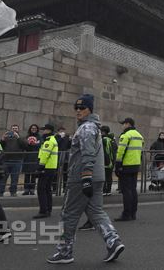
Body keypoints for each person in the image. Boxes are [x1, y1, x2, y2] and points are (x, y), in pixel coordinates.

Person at [47, 94, 124, 264]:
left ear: (90, 109)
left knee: (69, 213)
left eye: (82, 108)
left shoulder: (86, 128)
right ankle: (113, 241)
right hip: (97, 177)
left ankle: (65, 252)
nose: (78, 111)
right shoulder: (93, 127)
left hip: (81, 177)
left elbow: (88, 153)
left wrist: (86, 176)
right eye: (76, 108)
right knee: (95, 211)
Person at [115, 117, 143, 221]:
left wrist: (118, 165)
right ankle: (133, 213)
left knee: (126, 191)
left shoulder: (126, 135)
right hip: (135, 165)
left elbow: (120, 151)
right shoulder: (139, 136)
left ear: (128, 124)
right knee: (133, 189)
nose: (122, 126)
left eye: (123, 124)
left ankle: (126, 214)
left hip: (126, 166)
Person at [34, 124, 59, 219]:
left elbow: (45, 154)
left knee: (41, 189)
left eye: (44, 130)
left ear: (48, 130)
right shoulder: (51, 140)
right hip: (51, 167)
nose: (42, 131)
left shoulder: (49, 141)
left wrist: (40, 167)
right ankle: (48, 209)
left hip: (46, 167)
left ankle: (43, 210)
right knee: (47, 189)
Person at [0, 124, 26, 197]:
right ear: (10, 130)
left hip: (17, 161)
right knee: (3, 178)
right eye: (13, 128)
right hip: (6, 160)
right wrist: (2, 139)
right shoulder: (6, 137)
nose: (14, 130)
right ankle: (0, 192)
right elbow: (0, 146)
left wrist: (18, 138)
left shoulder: (21, 137)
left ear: (18, 130)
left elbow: (24, 146)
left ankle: (13, 192)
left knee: (15, 178)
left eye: (16, 128)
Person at [23, 124, 41, 195]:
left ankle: (32, 189)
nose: (33, 129)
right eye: (32, 128)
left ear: (37, 129)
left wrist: (33, 144)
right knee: (27, 174)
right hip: (27, 157)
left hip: (35, 157)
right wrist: (30, 144)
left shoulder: (39, 137)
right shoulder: (27, 136)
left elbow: (40, 145)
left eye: (35, 128)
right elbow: (25, 146)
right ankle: (26, 189)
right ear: (30, 129)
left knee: (33, 174)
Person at [101, 126, 117, 196]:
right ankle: (109, 190)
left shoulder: (103, 139)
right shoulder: (112, 140)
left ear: (103, 131)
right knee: (109, 176)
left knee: (103, 176)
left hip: (104, 161)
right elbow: (116, 149)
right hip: (111, 161)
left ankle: (104, 190)